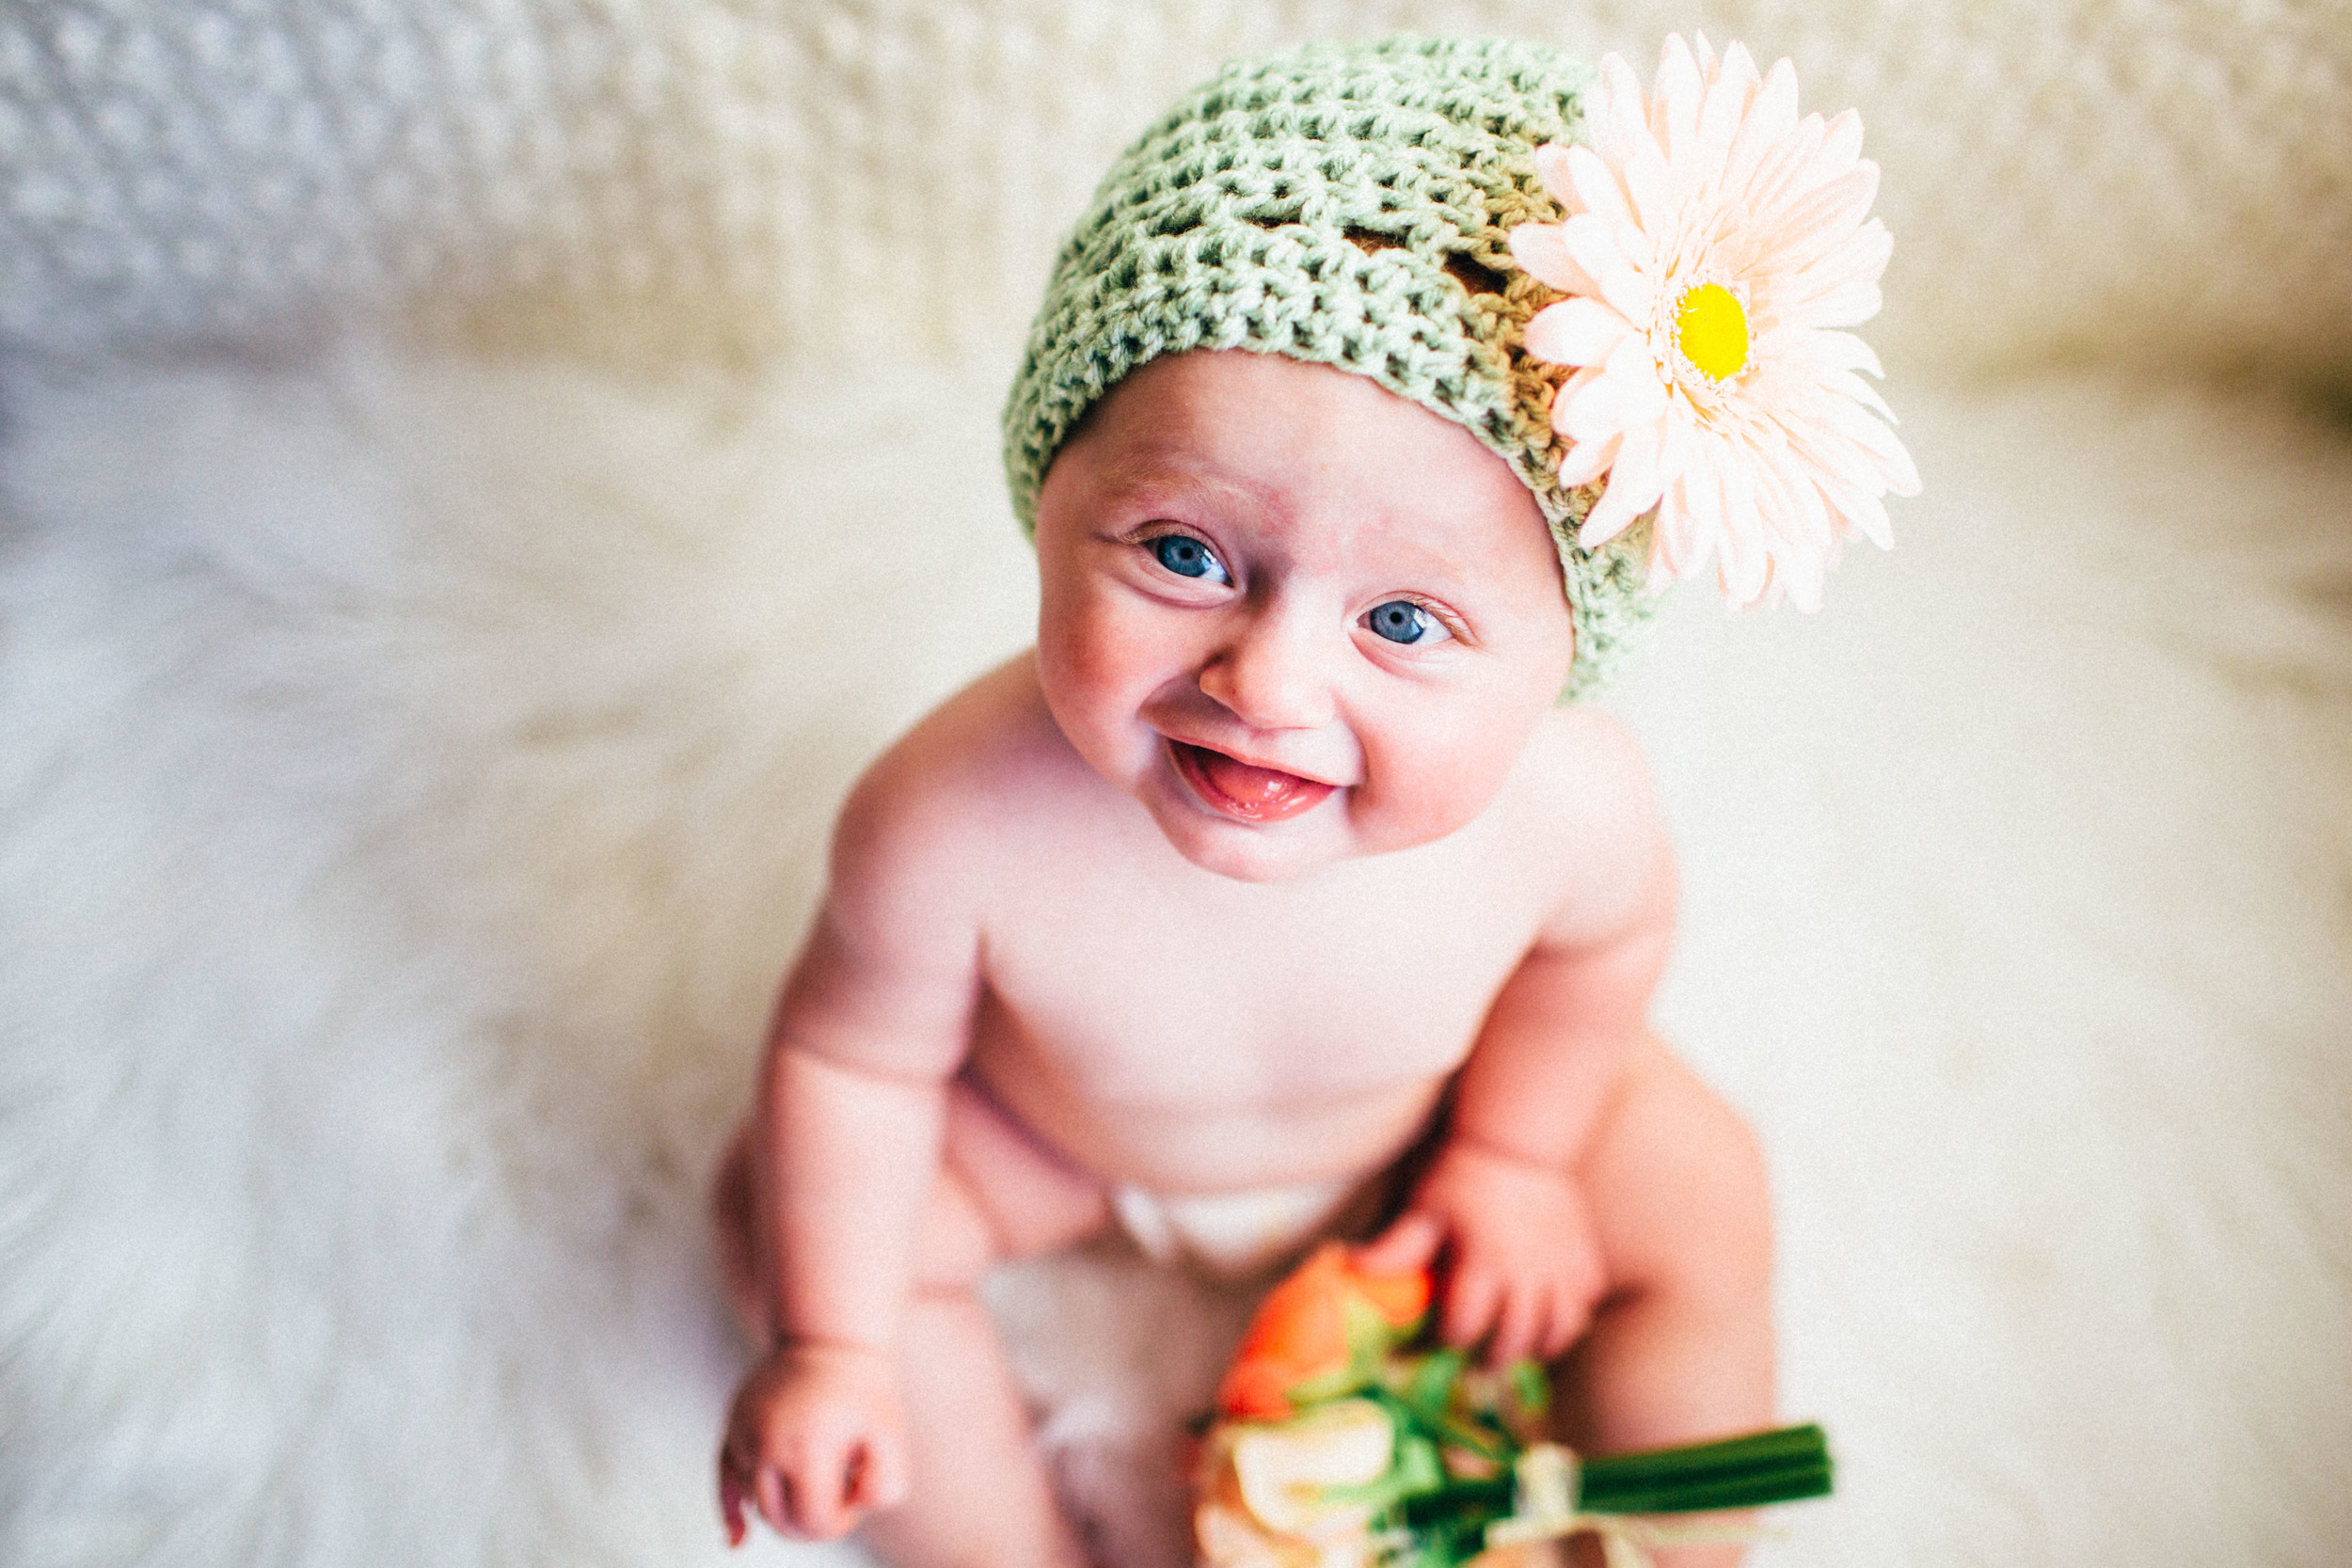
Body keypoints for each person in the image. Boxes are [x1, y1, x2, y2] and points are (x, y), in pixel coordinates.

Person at [711, 32, 1915, 1568]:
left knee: (1700, 1185)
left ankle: (1662, 1542)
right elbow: (852, 1059)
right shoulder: (949, 820)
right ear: (1048, 493)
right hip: (1058, 1142)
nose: (1269, 686)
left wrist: (1515, 1156)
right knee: (786, 1220)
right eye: (1186, 555)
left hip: (1414, 1128)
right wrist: (831, 1347)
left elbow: (1595, 959)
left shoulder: (1571, 808)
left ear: (1561, 656)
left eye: (1403, 622)